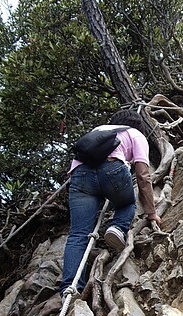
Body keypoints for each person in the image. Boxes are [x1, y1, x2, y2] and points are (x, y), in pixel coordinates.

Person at [60, 109, 162, 294]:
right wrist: (151, 212)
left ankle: (70, 288)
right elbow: (143, 175)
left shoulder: (98, 130)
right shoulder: (135, 133)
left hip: (80, 176)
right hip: (113, 170)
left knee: (78, 235)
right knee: (126, 204)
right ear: (138, 125)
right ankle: (117, 227)